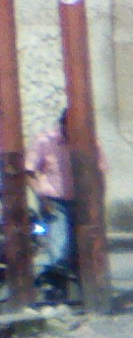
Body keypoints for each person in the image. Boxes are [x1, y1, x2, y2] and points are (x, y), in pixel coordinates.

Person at [26, 110, 76, 301]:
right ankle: (53, 288)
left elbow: (99, 169)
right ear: (62, 124)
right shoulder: (45, 141)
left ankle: (67, 286)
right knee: (59, 245)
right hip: (54, 199)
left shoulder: (87, 141)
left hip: (80, 200)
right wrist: (41, 196)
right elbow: (29, 170)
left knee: (77, 247)